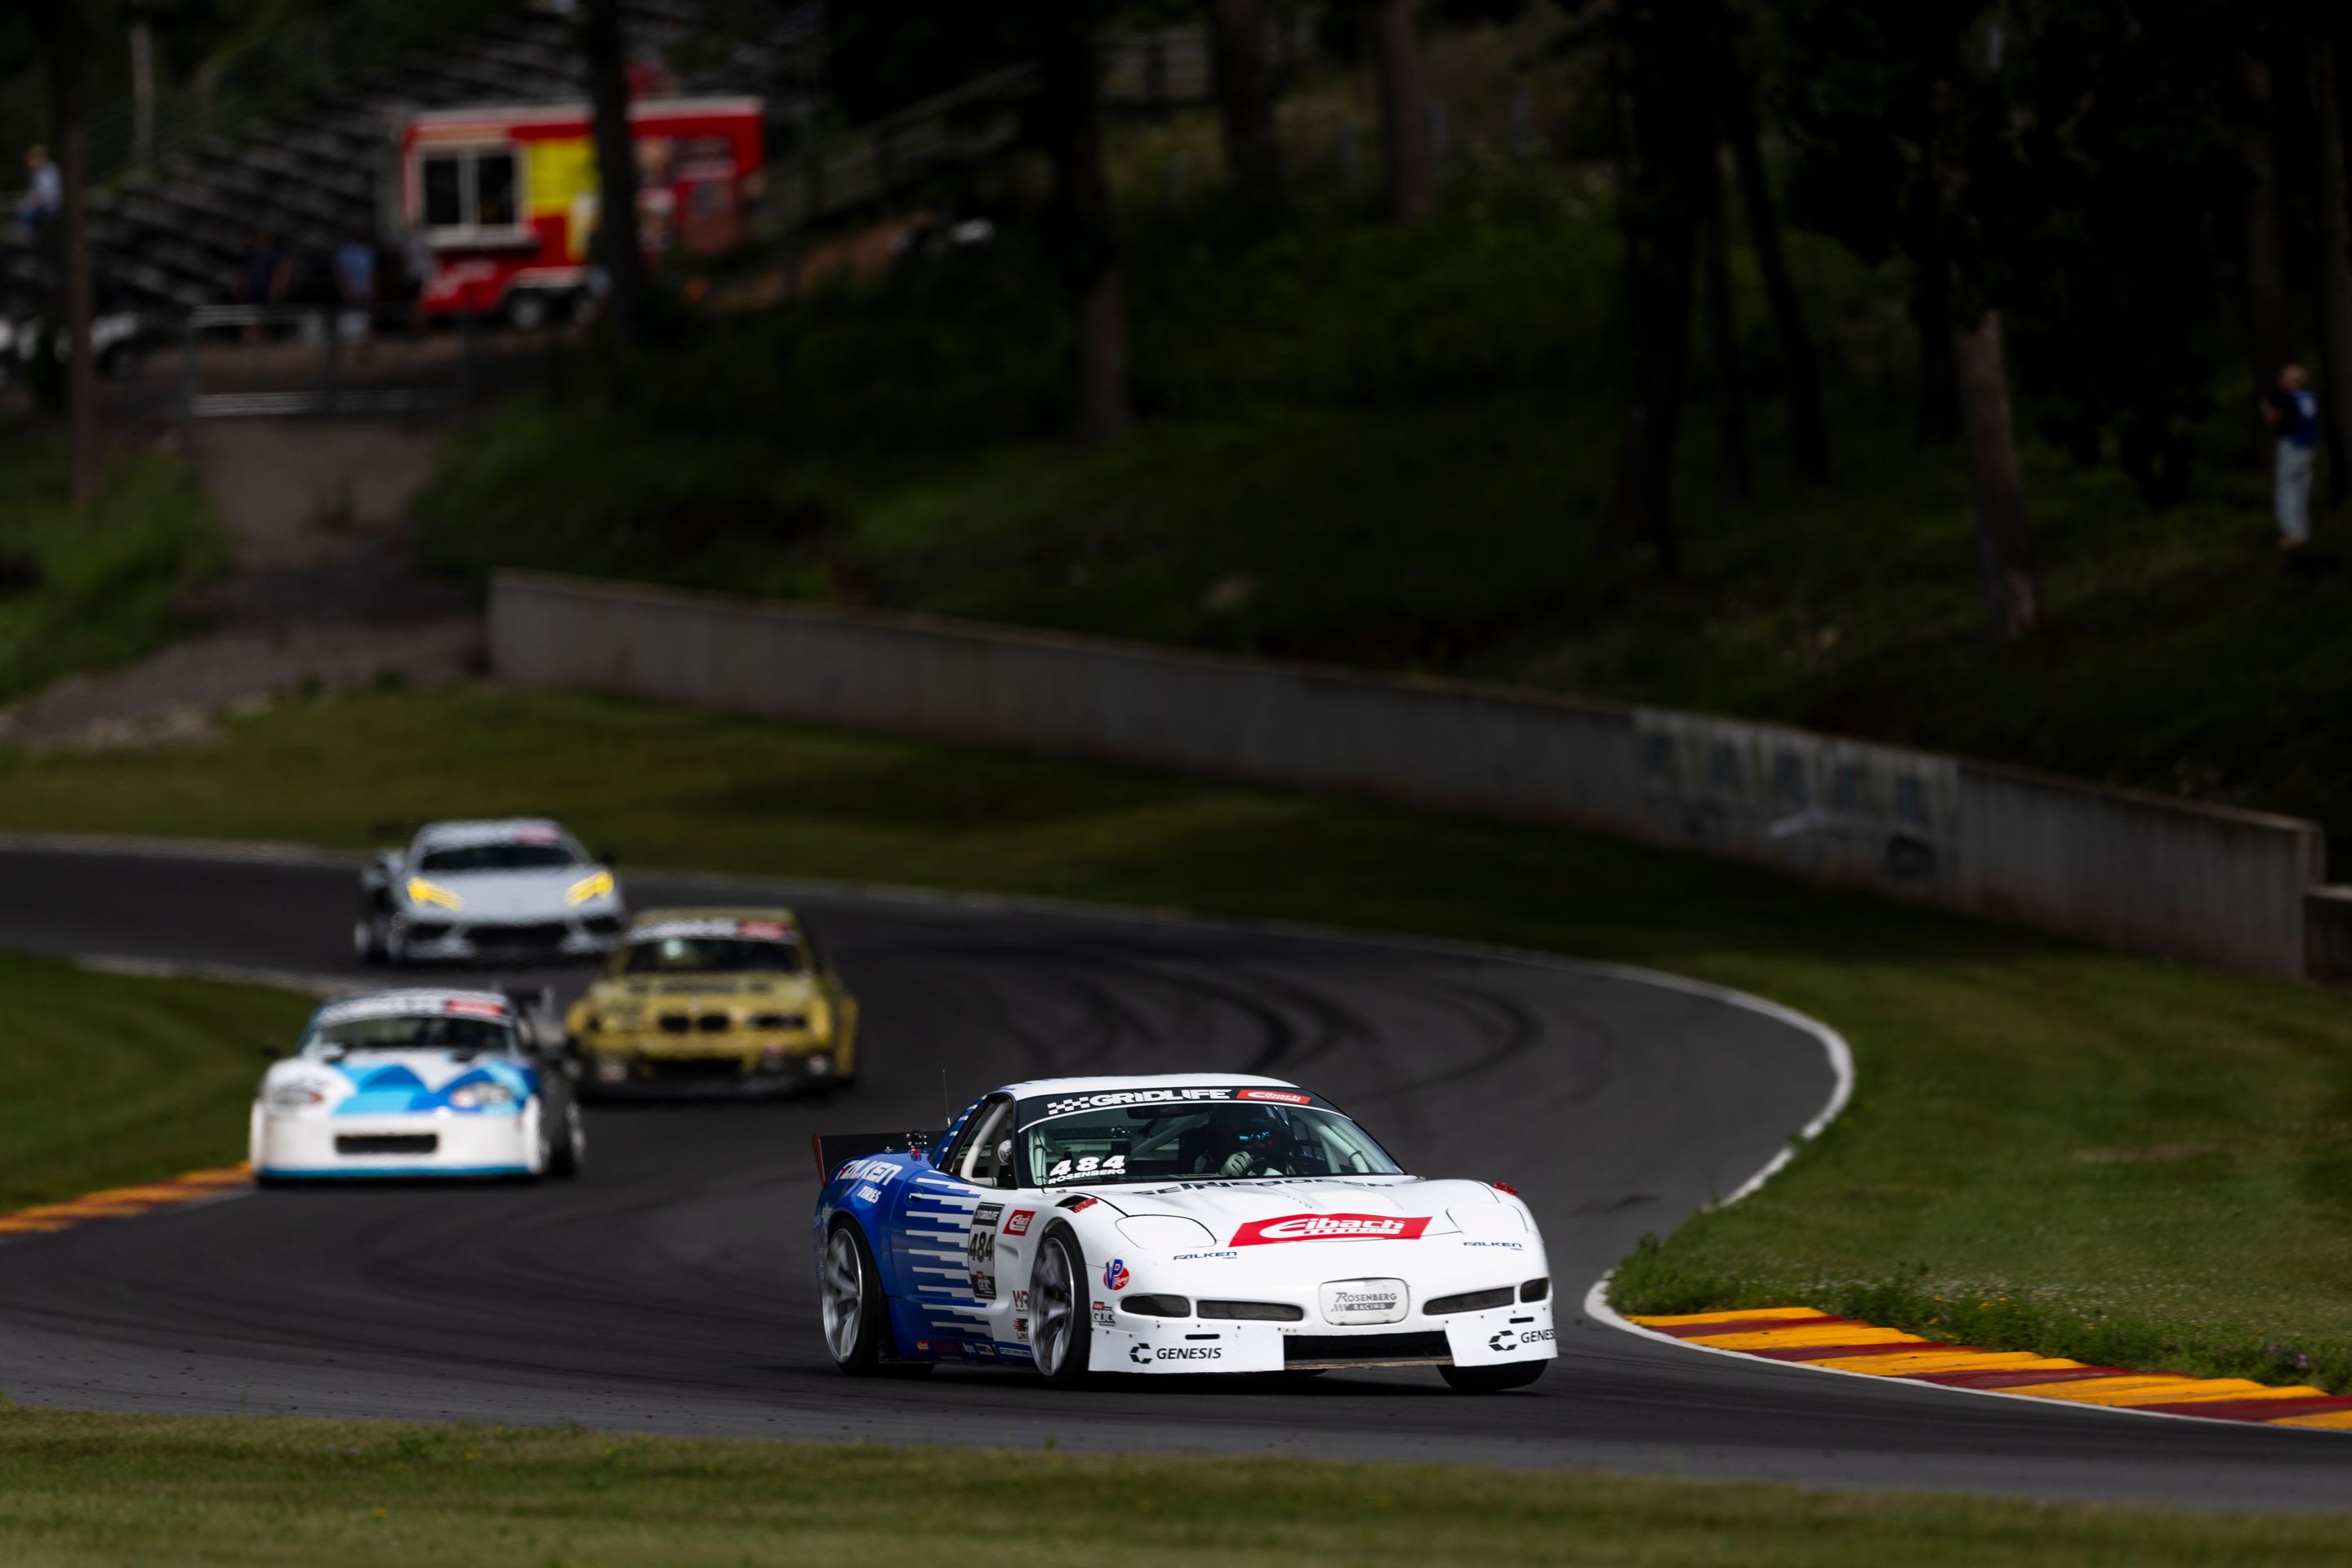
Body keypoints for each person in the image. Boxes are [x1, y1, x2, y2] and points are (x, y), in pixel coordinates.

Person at [2262, 363, 2320, 550]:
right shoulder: (2308, 396)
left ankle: (2292, 533)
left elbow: (2273, 420)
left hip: (2291, 446)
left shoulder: (2288, 398)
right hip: (2308, 447)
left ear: (2293, 381)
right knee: (2301, 491)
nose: (2280, 381)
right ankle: (2302, 532)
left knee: (2286, 489)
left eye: (2284, 377)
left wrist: (2265, 407)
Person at [332, 234, 376, 358]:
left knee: (365, 322)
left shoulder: (369, 251)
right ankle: (351, 350)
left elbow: (372, 273)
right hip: (351, 295)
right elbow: (340, 273)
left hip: (365, 293)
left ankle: (365, 349)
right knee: (351, 324)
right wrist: (346, 291)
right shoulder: (345, 252)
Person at [13, 145, 60, 241]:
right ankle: (28, 237)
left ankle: (26, 239)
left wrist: (30, 203)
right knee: (21, 207)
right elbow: (34, 193)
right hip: (42, 204)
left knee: (24, 213)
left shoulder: (48, 171)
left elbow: (45, 194)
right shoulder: (38, 171)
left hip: (50, 206)